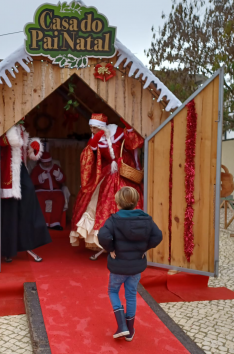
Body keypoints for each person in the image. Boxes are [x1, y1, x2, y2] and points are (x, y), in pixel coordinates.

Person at [70, 113, 144, 259]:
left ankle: (126, 242)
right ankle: (105, 241)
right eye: (90, 127)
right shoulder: (95, 138)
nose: (92, 130)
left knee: (124, 202)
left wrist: (129, 129)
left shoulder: (117, 133)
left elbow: (134, 144)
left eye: (94, 127)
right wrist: (92, 146)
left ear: (101, 126)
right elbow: (87, 160)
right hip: (106, 173)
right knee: (97, 201)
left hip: (124, 172)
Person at [98, 186, 163, 341]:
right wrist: (145, 248)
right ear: (135, 202)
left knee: (113, 292)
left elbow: (103, 235)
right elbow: (158, 236)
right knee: (131, 295)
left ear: (118, 204)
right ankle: (130, 330)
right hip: (135, 267)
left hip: (118, 265)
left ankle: (122, 326)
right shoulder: (146, 219)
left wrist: (111, 248)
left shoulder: (114, 219)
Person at [0, 119, 52, 262]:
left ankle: (26, 243)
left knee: (27, 207)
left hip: (19, 172)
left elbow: (25, 152)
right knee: (9, 214)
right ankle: (7, 250)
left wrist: (32, 147)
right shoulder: (4, 127)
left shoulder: (21, 129)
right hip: (8, 176)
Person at [31, 151, 66, 230]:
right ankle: (43, 223)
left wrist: (59, 176)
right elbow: (32, 181)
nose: (47, 164)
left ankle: (55, 223)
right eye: (45, 163)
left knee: (60, 198)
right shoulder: (37, 169)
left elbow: (63, 179)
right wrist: (40, 178)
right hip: (41, 191)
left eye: (49, 162)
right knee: (39, 199)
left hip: (55, 191)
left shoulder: (56, 167)